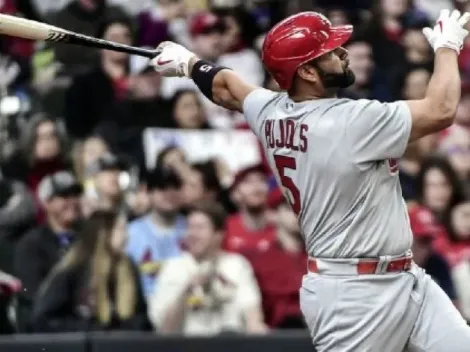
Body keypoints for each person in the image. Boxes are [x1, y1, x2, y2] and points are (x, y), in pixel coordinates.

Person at [150, 9, 470, 351]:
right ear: (306, 71)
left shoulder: (269, 110)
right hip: (352, 295)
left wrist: (190, 64)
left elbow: (226, 87)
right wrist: (447, 46)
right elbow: (441, 109)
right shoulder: (351, 121)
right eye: (330, 52)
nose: (343, 53)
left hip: (404, 278)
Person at [148, 201, 266, 335]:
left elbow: (253, 317)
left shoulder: (237, 265)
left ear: (219, 234)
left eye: (200, 228)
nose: (192, 234)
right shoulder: (173, 268)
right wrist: (186, 291)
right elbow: (164, 330)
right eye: (190, 227)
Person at [32, 211, 150, 332]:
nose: (126, 236)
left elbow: (141, 315)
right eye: (120, 229)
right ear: (104, 234)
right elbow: (45, 319)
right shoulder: (74, 269)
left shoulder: (129, 267)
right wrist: (90, 330)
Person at [14, 171, 82, 332]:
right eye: (64, 196)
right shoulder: (31, 244)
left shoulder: (87, 239)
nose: (72, 201)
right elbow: (34, 295)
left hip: (84, 326)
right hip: (48, 332)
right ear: (46, 203)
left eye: (75, 195)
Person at [126, 166, 186, 298]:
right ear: (149, 193)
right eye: (162, 188)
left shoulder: (193, 228)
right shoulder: (131, 232)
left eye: (174, 187)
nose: (169, 194)